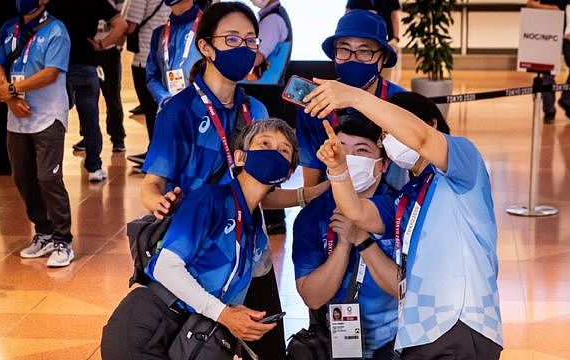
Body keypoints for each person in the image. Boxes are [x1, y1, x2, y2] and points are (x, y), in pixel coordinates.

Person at [139, 3, 327, 357]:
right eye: (231, 39)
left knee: (269, 349)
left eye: (250, 40)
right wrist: (159, 202)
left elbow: (258, 196)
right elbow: (150, 186)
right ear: (206, 47)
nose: (244, 48)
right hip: (197, 253)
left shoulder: (256, 112)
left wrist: (312, 194)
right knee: (198, 348)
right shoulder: (178, 112)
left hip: (250, 253)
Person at [310, 84, 503, 359]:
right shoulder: (406, 197)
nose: (390, 138)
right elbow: (355, 211)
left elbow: (423, 139)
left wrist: (354, 96)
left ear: (431, 124)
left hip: (461, 322)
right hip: (418, 330)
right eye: (385, 133)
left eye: (395, 127)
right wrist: (338, 169)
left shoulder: (464, 163)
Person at [101, 118, 298, 359]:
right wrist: (224, 314)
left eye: (283, 150)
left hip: (188, 337)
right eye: (264, 143)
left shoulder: (253, 225)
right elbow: (166, 267)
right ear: (240, 157)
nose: (273, 153)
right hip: (148, 327)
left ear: (288, 172)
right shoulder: (209, 199)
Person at [293, 113, 398, 359]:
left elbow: (404, 289)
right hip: (334, 344)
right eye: (341, 150)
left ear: (383, 164)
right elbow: (313, 298)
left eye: (362, 150)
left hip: (396, 344)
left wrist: (362, 240)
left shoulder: (399, 209)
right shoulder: (313, 216)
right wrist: (342, 246)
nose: (349, 160)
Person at [0, 0, 74, 267]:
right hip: (17, 118)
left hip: (48, 116)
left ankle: (63, 239)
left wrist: (13, 91)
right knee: (22, 176)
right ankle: (44, 231)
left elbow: (51, 73)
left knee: (48, 177)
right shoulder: (9, 29)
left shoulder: (56, 30)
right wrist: (10, 98)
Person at [295, 9, 405, 189]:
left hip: (390, 206)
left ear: (383, 58)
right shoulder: (316, 103)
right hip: (331, 197)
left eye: (364, 51)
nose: (353, 59)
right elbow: (311, 172)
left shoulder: (400, 102)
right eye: (344, 49)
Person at [47, 0, 127, 182]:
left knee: (53, 121)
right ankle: (94, 167)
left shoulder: (51, 3)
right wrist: (102, 44)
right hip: (86, 64)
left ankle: (51, 168)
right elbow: (121, 24)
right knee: (90, 119)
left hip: (57, 68)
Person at [126, 0, 203, 167]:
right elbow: (151, 75)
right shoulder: (160, 33)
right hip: (169, 114)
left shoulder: (208, 28)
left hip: (201, 115)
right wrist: (165, 99)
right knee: (166, 179)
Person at [245, 0, 293, 235]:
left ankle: (274, 218)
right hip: (267, 92)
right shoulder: (270, 16)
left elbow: (256, 56)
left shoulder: (272, 19)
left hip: (266, 94)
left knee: (267, 154)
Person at [122, 0, 171, 165]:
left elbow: (130, 25)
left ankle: (155, 153)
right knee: (158, 109)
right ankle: (160, 152)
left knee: (151, 110)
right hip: (166, 54)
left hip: (145, 56)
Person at [527, 0, 570, 124]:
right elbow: (530, 3)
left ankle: (567, 101)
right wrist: (547, 7)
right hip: (549, 31)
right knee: (548, 73)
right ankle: (549, 110)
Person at [92, 0, 127, 153]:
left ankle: (117, 137)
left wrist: (115, 47)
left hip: (110, 52)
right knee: (88, 96)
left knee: (112, 95)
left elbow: (122, 24)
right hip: (90, 52)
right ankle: (88, 136)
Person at [346, 0, 402, 84]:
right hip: (361, 39)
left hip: (386, 40)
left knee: (385, 72)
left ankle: (383, 93)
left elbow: (394, 16)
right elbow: (348, 13)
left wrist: (396, 38)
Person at [0, 0, 17, 175]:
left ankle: (3, 158)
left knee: (7, 102)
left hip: (8, 47)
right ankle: (3, 158)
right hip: (7, 47)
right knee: (7, 102)